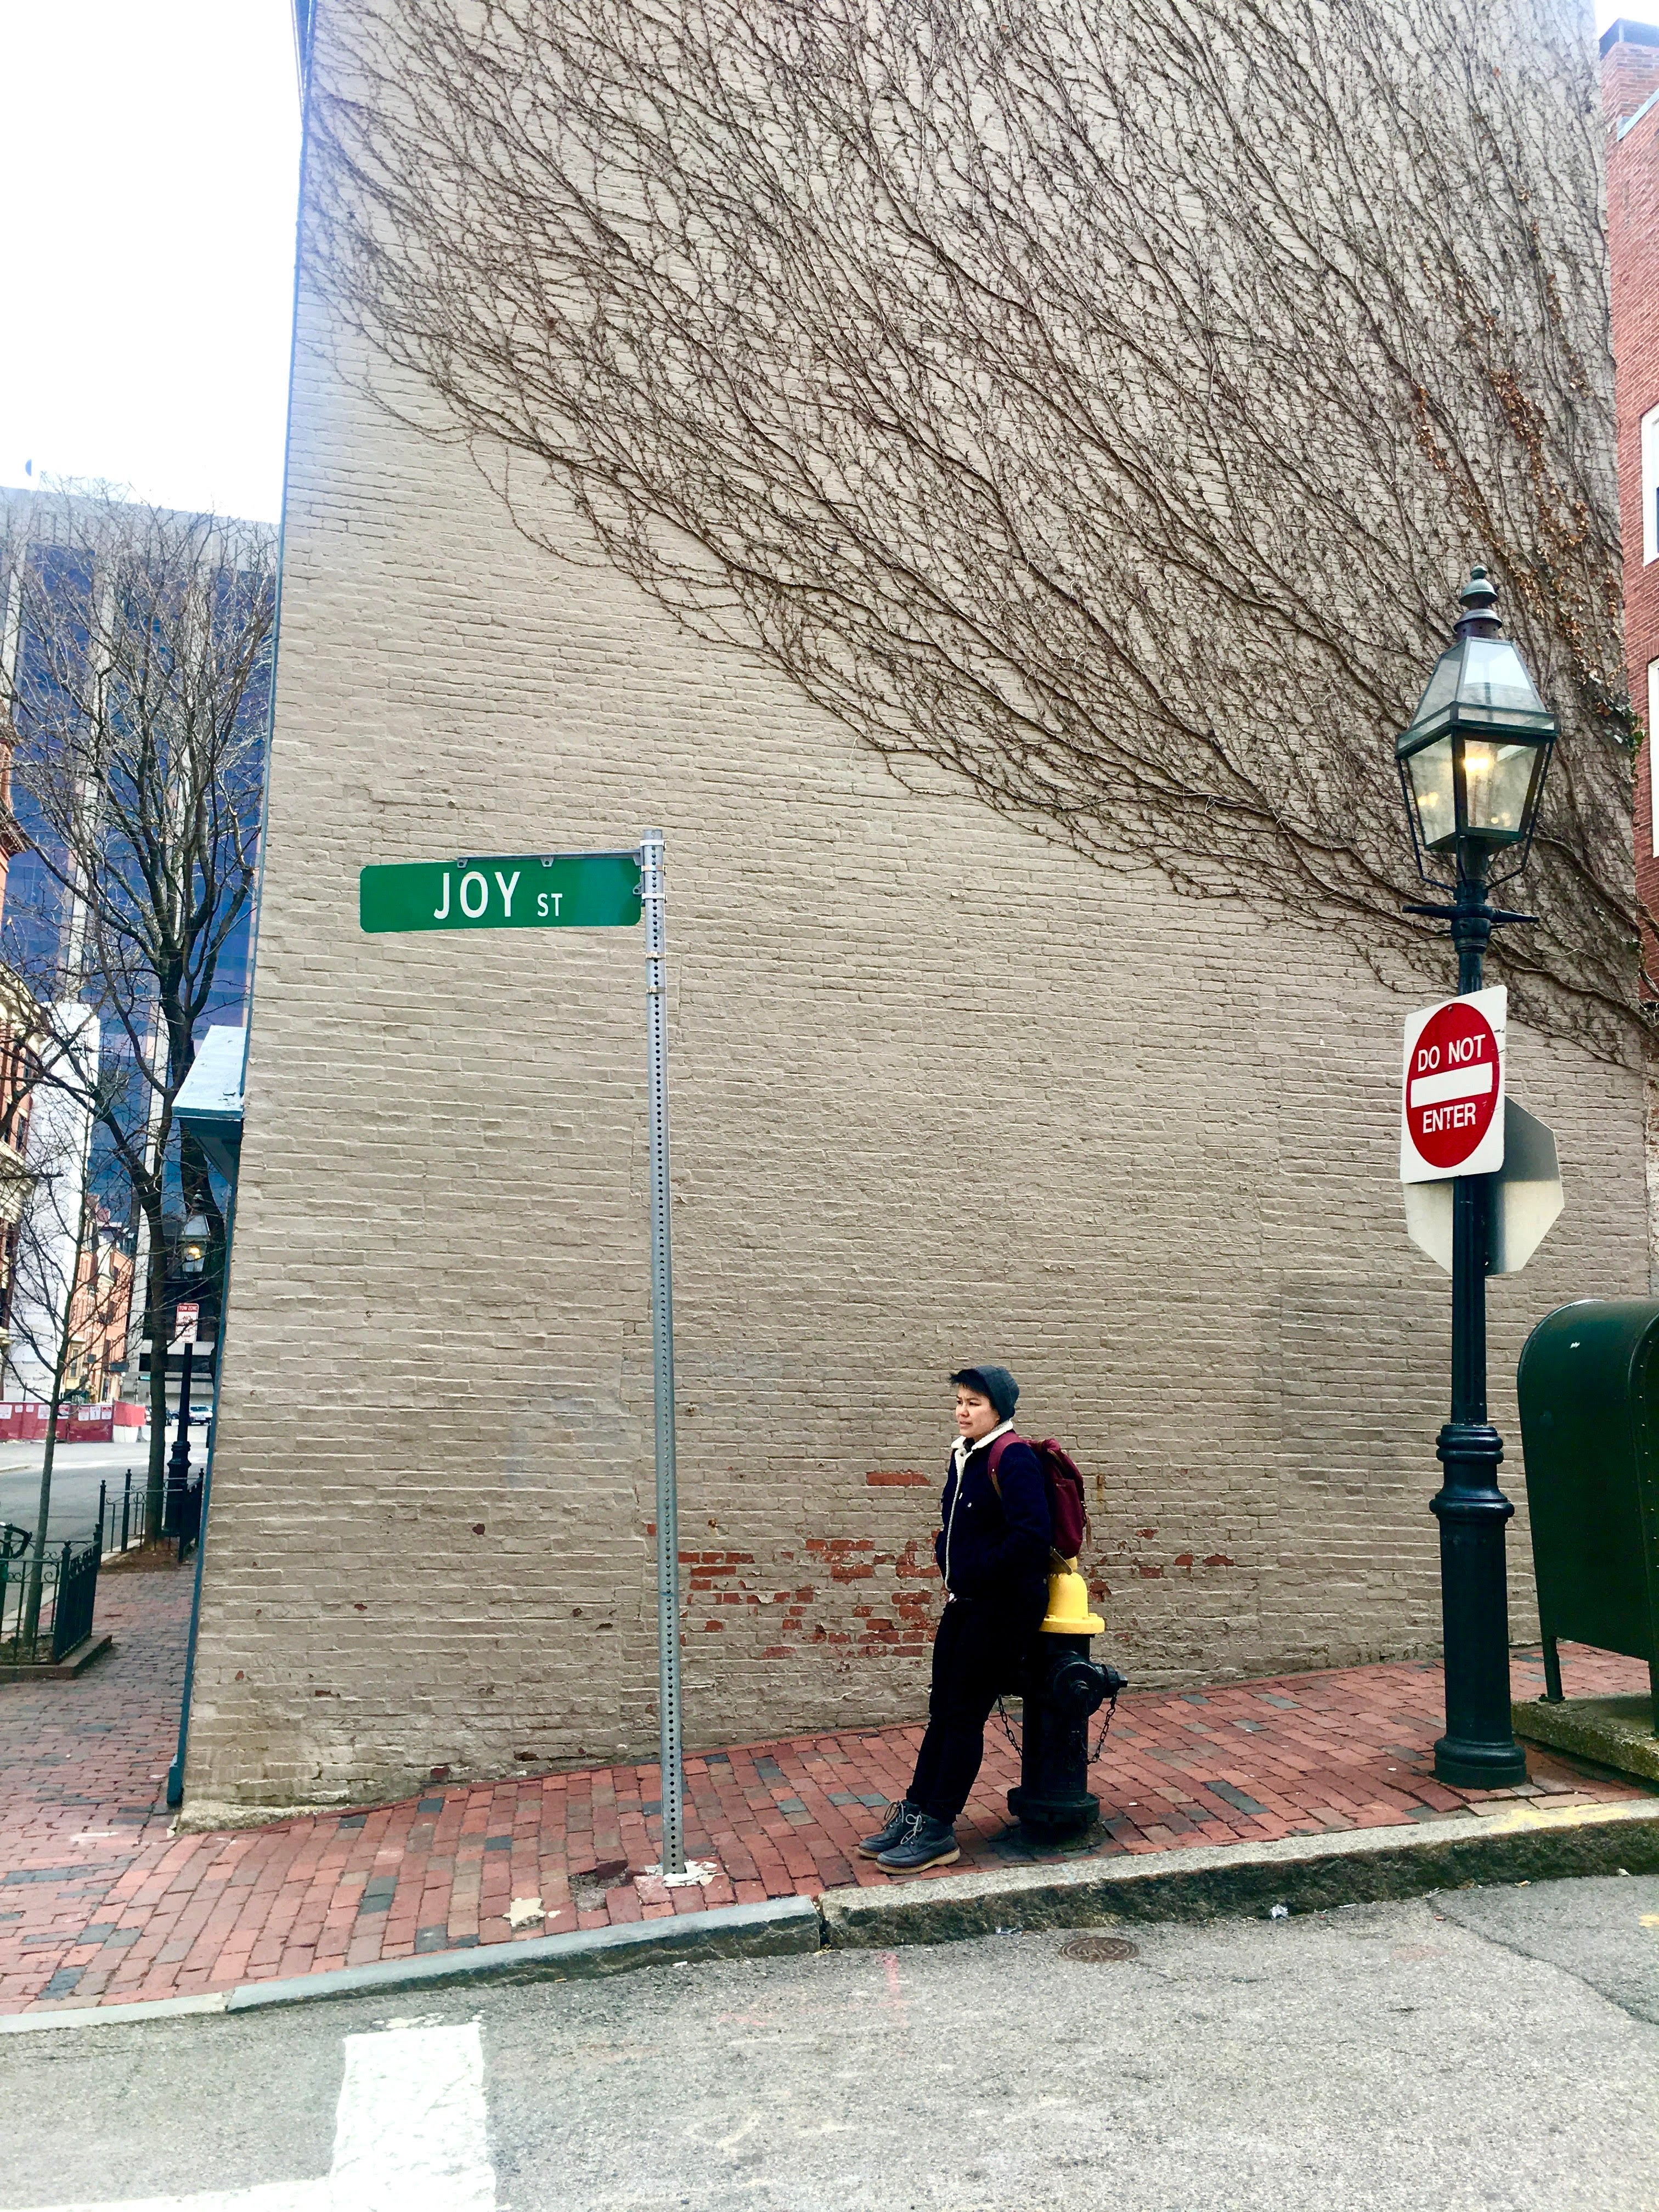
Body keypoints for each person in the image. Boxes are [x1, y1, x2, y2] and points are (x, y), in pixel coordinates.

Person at [861, 1364, 1051, 1871]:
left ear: (999, 1411)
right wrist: (949, 1560)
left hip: (1004, 1608)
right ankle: (918, 1809)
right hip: (966, 1601)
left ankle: (940, 1829)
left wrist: (973, 1571)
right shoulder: (965, 1454)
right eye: (960, 1402)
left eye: (974, 1404)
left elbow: (1033, 1539)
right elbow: (954, 1524)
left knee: (965, 1714)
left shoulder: (1012, 1459)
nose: (962, 1411)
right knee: (943, 1709)